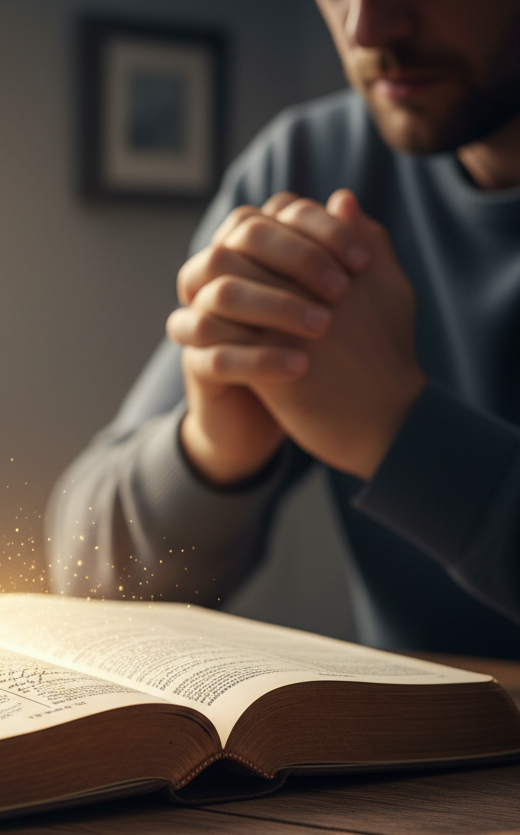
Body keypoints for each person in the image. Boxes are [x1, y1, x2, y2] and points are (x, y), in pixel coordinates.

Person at [47, 0, 520, 657]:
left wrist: (400, 434)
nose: (366, 28)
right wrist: (214, 449)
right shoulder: (308, 164)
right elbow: (87, 580)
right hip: (409, 755)